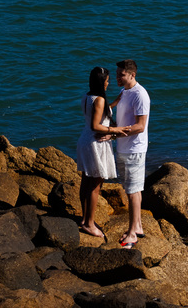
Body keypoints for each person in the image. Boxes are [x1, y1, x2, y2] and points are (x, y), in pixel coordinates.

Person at [75, 66, 117, 240]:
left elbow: (98, 112)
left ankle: (85, 219)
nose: (108, 83)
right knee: (95, 185)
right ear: (101, 82)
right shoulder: (99, 99)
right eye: (107, 80)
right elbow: (95, 125)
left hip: (85, 140)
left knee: (86, 181)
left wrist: (115, 103)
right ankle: (90, 224)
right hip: (96, 143)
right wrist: (116, 130)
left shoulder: (87, 96)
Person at [112, 58, 150, 247]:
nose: (118, 77)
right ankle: (138, 226)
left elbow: (140, 126)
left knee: (133, 191)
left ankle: (132, 233)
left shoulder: (139, 94)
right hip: (124, 146)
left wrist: (114, 133)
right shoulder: (124, 92)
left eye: (122, 74)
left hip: (134, 148)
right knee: (133, 190)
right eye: (117, 74)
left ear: (132, 74)